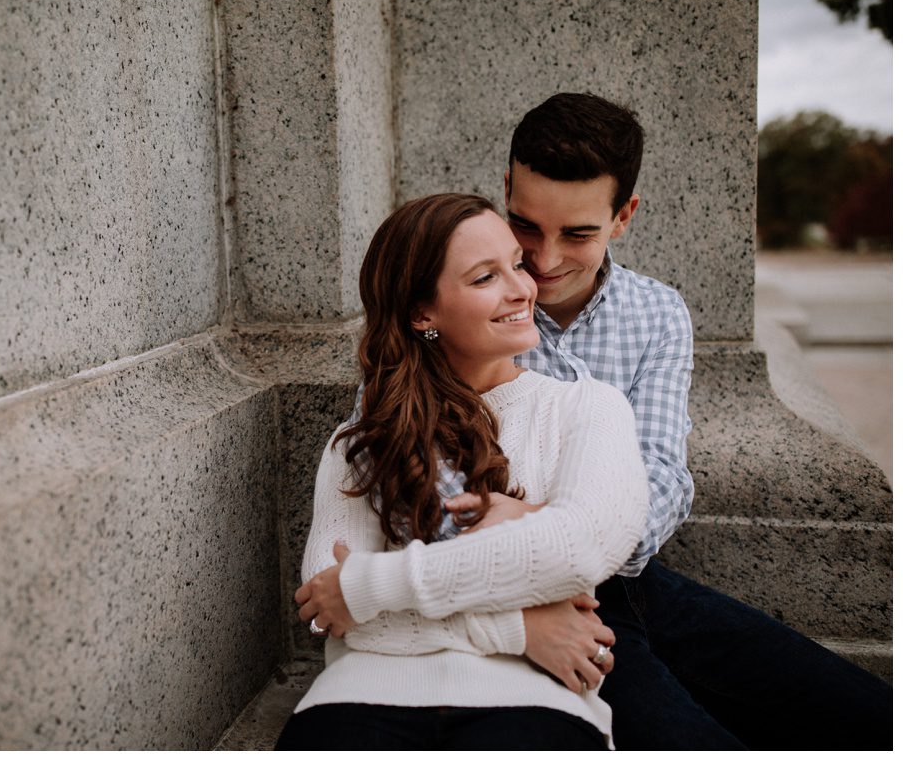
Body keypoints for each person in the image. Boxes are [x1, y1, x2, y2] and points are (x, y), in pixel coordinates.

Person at [318, 92, 891, 749]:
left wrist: (554, 524)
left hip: (625, 575)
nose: (543, 261)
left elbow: (662, 479)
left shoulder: (655, 314)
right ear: (506, 191)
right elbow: (403, 477)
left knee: (861, 710)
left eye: (578, 234)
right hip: (505, 594)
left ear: (623, 216)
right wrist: (523, 612)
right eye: (525, 226)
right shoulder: (450, 313)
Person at [275, 193, 650, 750]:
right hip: (357, 701)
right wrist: (516, 627)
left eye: (516, 264)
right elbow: (329, 606)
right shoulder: (364, 438)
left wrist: (372, 584)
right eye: (485, 278)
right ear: (422, 314)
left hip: (532, 707)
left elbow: (578, 548)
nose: (522, 289)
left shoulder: (588, 409)